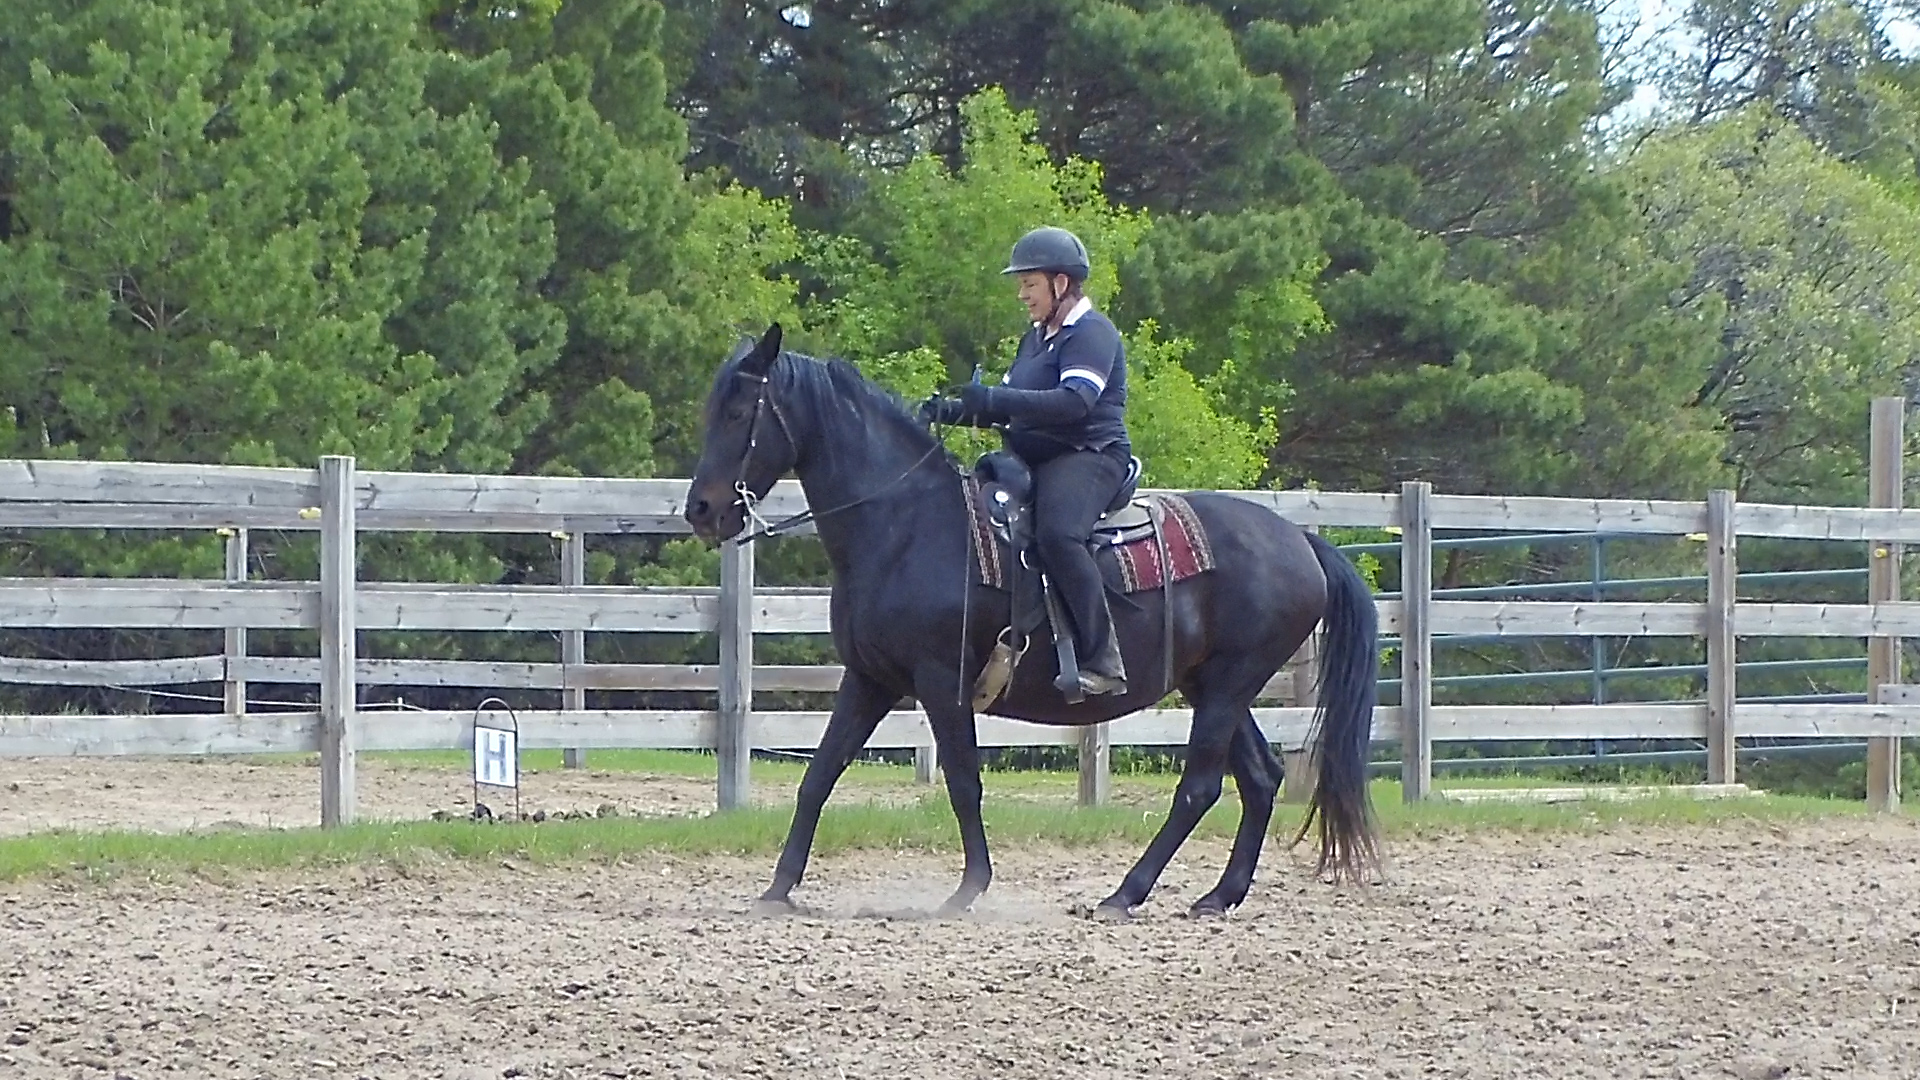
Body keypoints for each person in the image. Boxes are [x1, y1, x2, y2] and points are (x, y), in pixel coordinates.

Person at [920, 226, 1134, 697]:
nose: (1022, 294)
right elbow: (1011, 406)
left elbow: (1074, 402)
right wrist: (951, 410)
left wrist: (994, 398)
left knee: (1059, 536)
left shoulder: (1092, 333)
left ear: (1061, 283)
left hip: (1088, 455)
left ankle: (1103, 658)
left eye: (1029, 284)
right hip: (1032, 457)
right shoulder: (1033, 340)